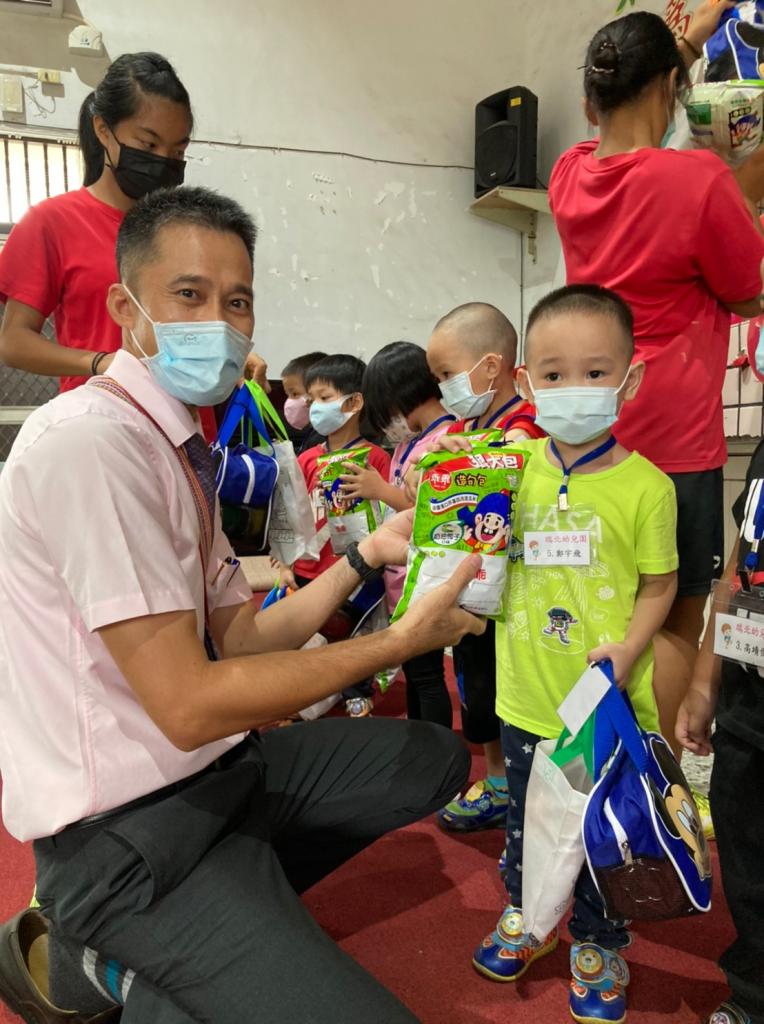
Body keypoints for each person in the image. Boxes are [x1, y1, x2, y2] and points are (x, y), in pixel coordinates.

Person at [0, 185, 484, 1024]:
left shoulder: (178, 445)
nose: (218, 325)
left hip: (217, 773)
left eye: (237, 302)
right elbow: (189, 705)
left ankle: (229, 924)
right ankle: (113, 957)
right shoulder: (93, 444)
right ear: (125, 308)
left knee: (430, 760)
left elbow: (248, 638)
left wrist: (367, 554)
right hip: (124, 835)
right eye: (188, 295)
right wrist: (398, 641)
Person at [548, 6, 764, 788]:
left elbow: (625, 126)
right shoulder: (698, 180)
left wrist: (686, 41)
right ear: (673, 87)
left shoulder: (569, 176)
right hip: (674, 439)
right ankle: (662, 785)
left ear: (589, 101)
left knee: (605, 603)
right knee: (673, 615)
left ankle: (596, 770)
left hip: (594, 437)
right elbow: (749, 291)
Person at [472, 285, 678, 1024]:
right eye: (554, 374)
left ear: (631, 378)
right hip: (524, 695)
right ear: (525, 382)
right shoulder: (509, 468)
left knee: (596, 834)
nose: (574, 388)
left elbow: (660, 584)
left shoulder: (648, 488)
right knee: (525, 825)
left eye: (596, 372)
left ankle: (598, 941)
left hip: (601, 708)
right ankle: (528, 916)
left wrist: (629, 648)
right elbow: (459, 527)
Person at [0, 52, 267, 440]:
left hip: (186, 428)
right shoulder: (53, 222)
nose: (163, 162)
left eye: (177, 151)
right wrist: (100, 362)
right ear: (103, 130)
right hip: (103, 423)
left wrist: (223, 351)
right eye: (148, 144)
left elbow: (200, 310)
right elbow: (13, 342)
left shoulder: (184, 229)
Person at [425, 302, 545, 832]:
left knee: (516, 689)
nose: (443, 388)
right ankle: (497, 781)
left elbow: (516, 462)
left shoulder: (526, 422)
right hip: (471, 585)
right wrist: (435, 458)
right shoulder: (460, 425)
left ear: (491, 366)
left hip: (517, 590)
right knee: (477, 687)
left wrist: (467, 456)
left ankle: (528, 786)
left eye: (446, 374)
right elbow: (421, 483)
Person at [676, 320, 764, 1024]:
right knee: (747, 856)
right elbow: (739, 566)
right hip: (748, 702)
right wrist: (705, 681)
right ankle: (755, 990)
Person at [344, 340, 455, 728]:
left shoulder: (447, 438)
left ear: (400, 395)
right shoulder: (410, 442)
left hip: (424, 576)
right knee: (414, 668)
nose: (386, 423)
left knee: (426, 673)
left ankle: (435, 745)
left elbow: (435, 509)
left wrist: (380, 490)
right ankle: (419, 738)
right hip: (402, 573)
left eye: (385, 411)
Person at [285, 353, 392, 717]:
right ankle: (304, 696)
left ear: (354, 402)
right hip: (309, 567)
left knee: (355, 636)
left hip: (355, 568)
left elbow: (389, 514)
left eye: (325, 397)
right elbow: (292, 515)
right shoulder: (307, 459)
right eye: (311, 399)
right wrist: (285, 562)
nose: (315, 407)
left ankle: (356, 695)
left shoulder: (375, 459)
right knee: (307, 634)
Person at [280, 350, 327, 453]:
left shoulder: (323, 437)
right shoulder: (314, 432)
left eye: (295, 394)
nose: (289, 402)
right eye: (288, 395)